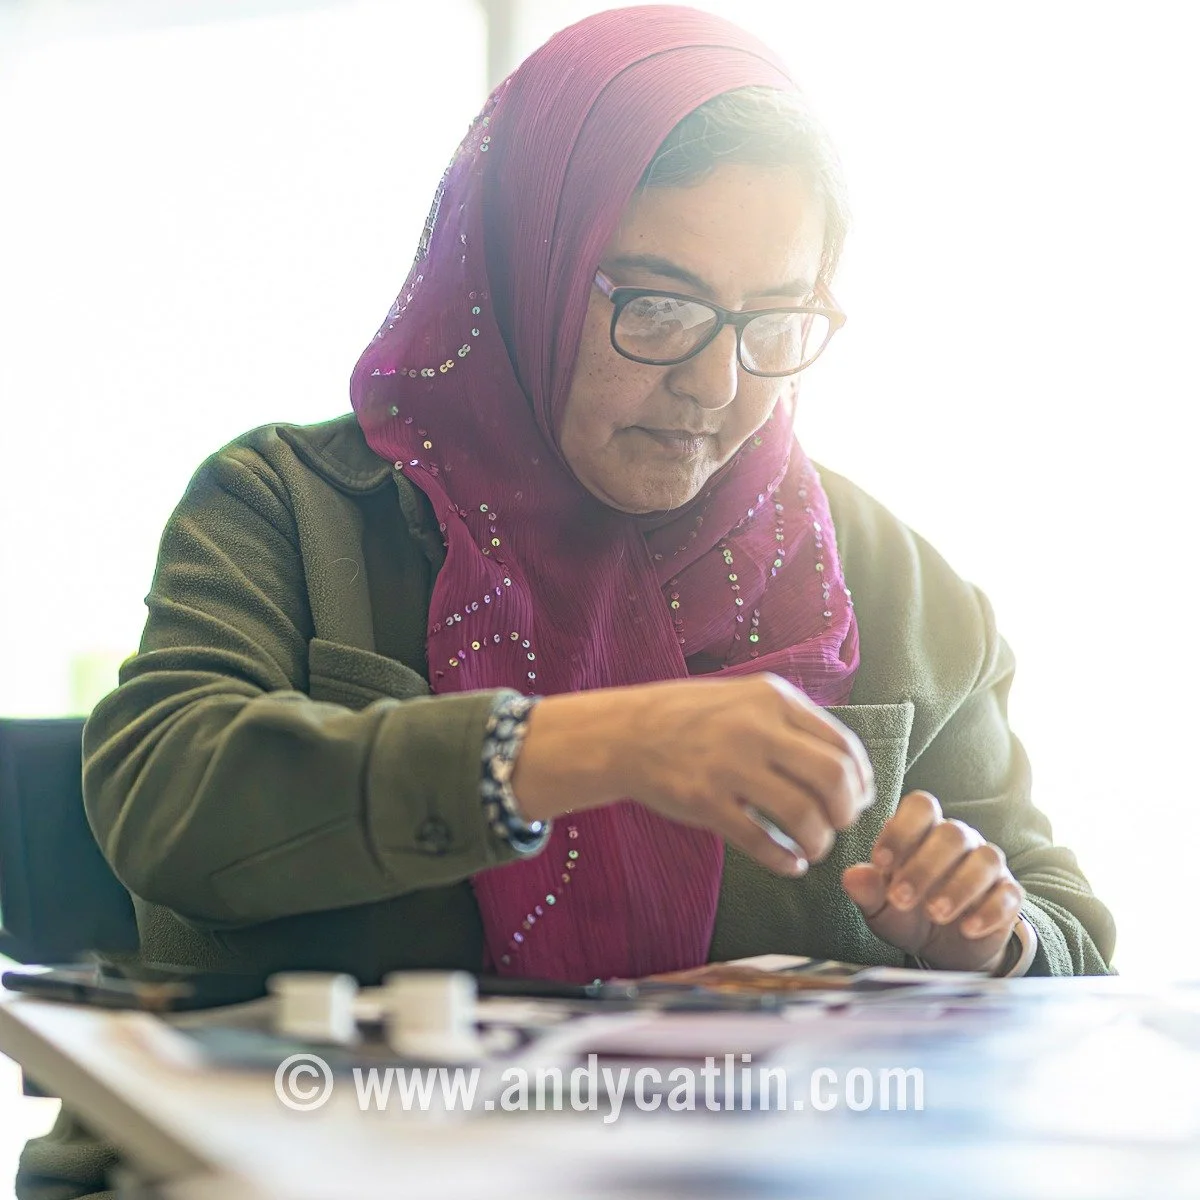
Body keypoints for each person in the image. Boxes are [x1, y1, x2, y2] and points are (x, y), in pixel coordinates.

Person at [16, 6, 1114, 1197]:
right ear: (528, 261)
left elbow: (1068, 930)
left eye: (775, 322)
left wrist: (990, 942)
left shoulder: (893, 587)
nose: (714, 382)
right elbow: (164, 793)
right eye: (655, 306)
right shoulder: (293, 509)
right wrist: (574, 744)